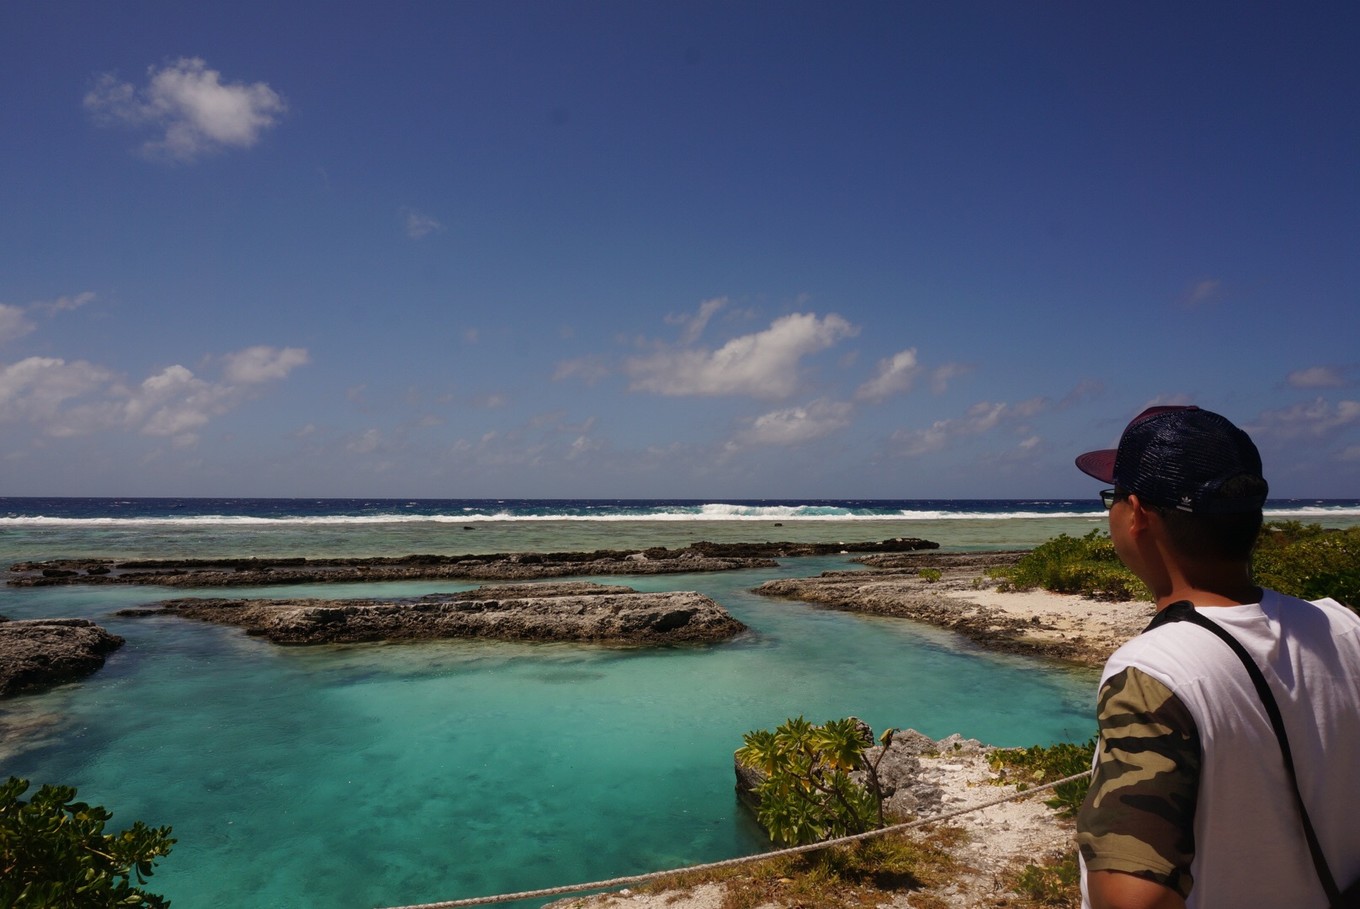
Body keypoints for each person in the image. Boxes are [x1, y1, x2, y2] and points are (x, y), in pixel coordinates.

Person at [1072, 405, 1360, 909]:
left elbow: (1131, 899)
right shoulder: (1343, 626)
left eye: (1111, 497)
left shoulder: (1154, 669)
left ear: (1136, 514)